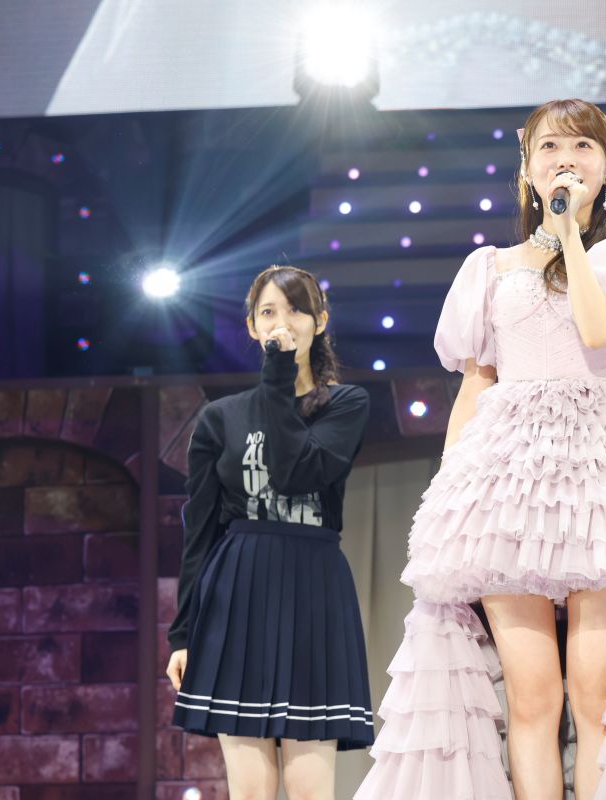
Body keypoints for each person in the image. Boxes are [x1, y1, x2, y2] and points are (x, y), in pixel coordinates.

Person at [356, 98, 606, 800]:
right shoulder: (488, 268)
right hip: (507, 478)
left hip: (601, 478)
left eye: (583, 147)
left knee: (595, 690)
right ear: (526, 168)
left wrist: (570, 236)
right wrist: (448, 498)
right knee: (531, 697)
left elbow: (597, 329)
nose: (566, 159)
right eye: (550, 146)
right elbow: (476, 383)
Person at [166, 265, 373, 799]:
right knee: (250, 791)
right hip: (239, 593)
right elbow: (200, 532)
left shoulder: (346, 404)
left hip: (312, 592)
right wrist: (183, 634)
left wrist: (278, 378)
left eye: (296, 309)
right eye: (268, 312)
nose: (283, 322)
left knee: (310, 789)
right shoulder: (220, 419)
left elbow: (297, 472)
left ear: (320, 321)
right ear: (253, 328)